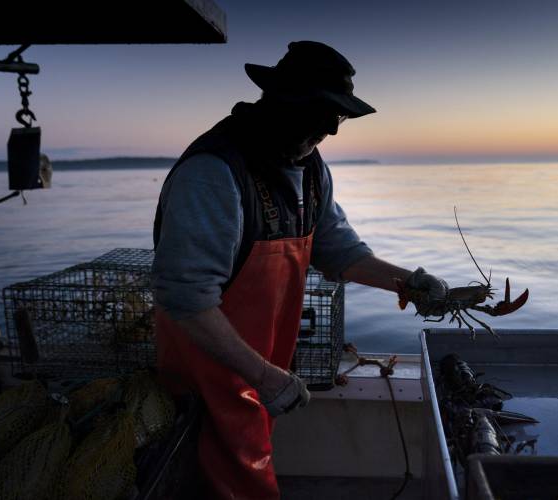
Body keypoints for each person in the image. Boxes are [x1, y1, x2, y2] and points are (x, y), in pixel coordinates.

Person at [151, 41, 447, 500]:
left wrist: (410, 282)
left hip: (257, 377)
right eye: (323, 110)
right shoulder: (213, 173)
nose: (332, 128)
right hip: (204, 387)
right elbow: (185, 300)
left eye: (340, 116)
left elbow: (341, 253)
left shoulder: (308, 168)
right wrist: (265, 375)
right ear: (280, 98)